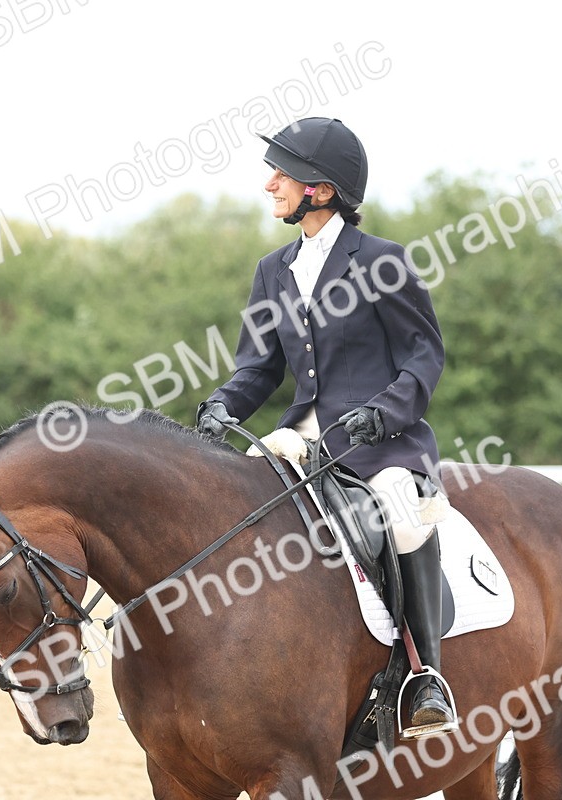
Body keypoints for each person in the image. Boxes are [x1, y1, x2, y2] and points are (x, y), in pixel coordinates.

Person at [196, 117, 455, 739]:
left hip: (380, 443)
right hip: (298, 439)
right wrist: (221, 405)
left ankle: (424, 678)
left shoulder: (382, 261)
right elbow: (258, 368)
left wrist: (384, 412)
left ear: (320, 188)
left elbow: (424, 355)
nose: (269, 185)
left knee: (400, 513)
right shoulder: (273, 270)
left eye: (281, 174)